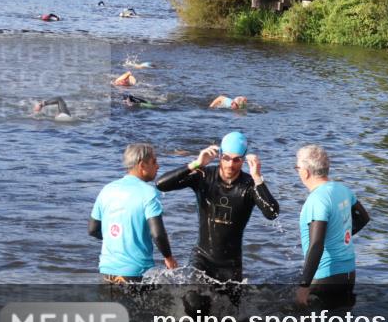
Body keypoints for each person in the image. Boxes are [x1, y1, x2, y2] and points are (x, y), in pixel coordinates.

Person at [156, 131, 280, 284]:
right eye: (226, 158)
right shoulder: (203, 176)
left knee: (229, 308)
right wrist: (195, 164)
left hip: (230, 264)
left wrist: (257, 178)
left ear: (243, 160)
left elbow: (272, 213)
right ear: (220, 155)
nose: (230, 164)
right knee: (193, 303)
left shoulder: (249, 185)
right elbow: (161, 185)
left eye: (236, 160)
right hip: (201, 258)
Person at [89, 143, 178, 283]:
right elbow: (158, 234)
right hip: (136, 273)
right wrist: (169, 258)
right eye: (154, 162)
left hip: (107, 272)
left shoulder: (107, 190)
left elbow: (93, 230)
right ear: (142, 165)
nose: (158, 166)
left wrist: (119, 239)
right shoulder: (149, 193)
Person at [294, 144, 369, 306]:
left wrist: (304, 285)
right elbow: (363, 218)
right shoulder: (342, 189)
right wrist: (340, 236)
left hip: (326, 276)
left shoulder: (317, 200)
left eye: (297, 167)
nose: (298, 171)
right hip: (348, 273)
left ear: (306, 172)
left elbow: (316, 245)